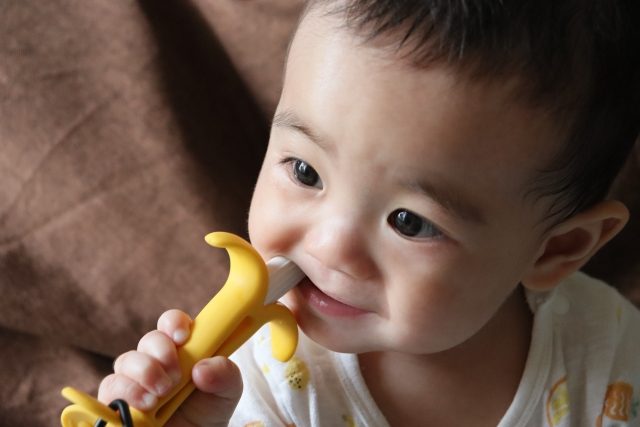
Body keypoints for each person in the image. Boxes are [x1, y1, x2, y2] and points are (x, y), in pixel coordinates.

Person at [98, 0, 640, 425]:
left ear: (556, 248)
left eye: (410, 222)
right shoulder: (251, 381)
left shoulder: (611, 357)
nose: (330, 246)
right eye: (305, 171)